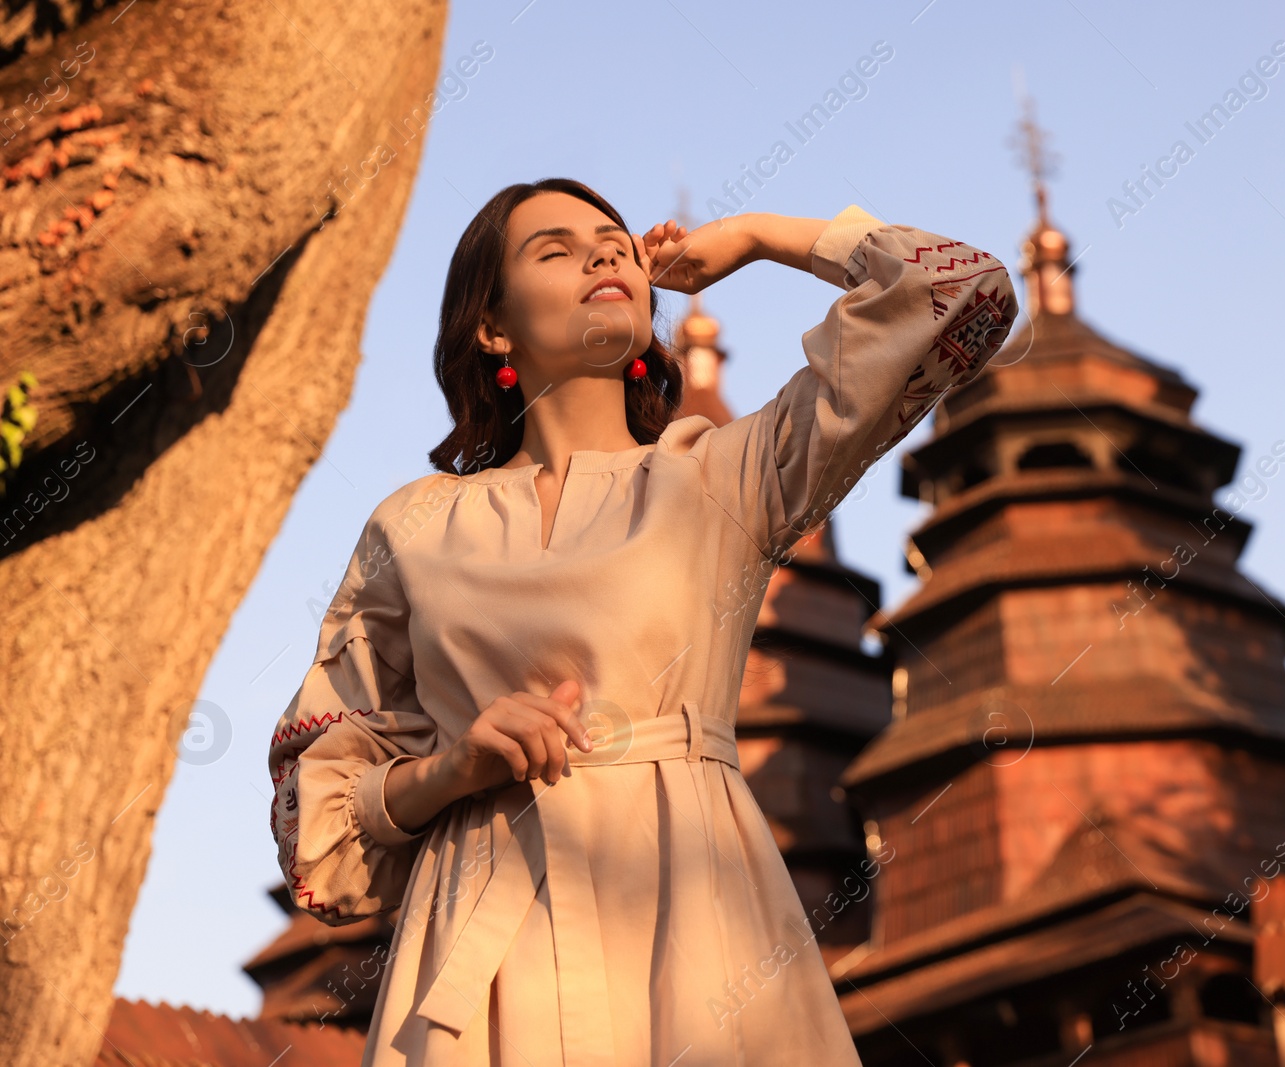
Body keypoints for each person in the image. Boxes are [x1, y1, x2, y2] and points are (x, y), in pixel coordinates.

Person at [266, 177, 1019, 1066]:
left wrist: (755, 237)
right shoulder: (413, 523)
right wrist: (453, 768)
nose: (602, 252)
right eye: (554, 248)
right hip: (478, 954)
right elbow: (314, 824)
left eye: (613, 239)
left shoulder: (721, 477)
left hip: (697, 926)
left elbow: (967, 293)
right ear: (493, 327)